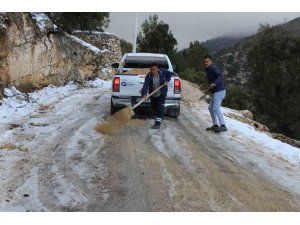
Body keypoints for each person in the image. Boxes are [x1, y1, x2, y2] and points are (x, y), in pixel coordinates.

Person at [141, 62, 171, 129]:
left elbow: (169, 75)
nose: (152, 71)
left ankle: (157, 123)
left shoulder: (163, 72)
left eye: (154, 69)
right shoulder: (148, 76)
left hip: (161, 93)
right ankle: (159, 116)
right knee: (154, 107)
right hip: (153, 94)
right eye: (151, 69)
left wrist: (166, 81)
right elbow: (145, 86)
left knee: (160, 108)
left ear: (157, 69)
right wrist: (144, 94)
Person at [203, 55, 227, 133]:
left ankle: (223, 125)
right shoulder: (208, 70)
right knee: (210, 108)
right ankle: (215, 125)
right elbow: (211, 83)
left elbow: (220, 76)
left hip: (220, 91)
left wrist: (214, 83)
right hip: (215, 92)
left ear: (211, 61)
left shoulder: (213, 68)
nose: (206, 63)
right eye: (205, 62)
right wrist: (208, 90)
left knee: (215, 108)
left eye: (207, 61)